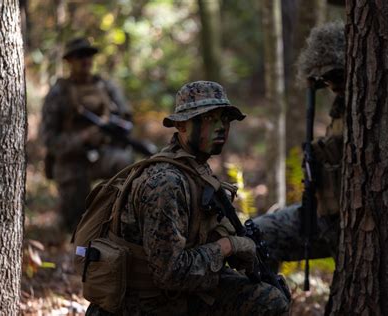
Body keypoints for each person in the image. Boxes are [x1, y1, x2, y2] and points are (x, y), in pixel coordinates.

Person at [85, 81, 290, 316]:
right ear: (181, 126)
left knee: (270, 294)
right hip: (142, 305)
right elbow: (170, 274)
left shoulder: (194, 168)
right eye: (208, 119)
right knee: (270, 304)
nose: (221, 127)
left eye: (224, 118)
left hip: (171, 295)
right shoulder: (166, 183)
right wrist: (227, 247)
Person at [254, 21, 345, 270]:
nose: (331, 83)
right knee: (255, 234)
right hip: (323, 214)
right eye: (325, 78)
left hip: (345, 223)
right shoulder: (340, 109)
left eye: (336, 75)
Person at [40, 37, 133, 232]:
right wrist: (81, 138)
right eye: (80, 56)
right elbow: (48, 139)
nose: (86, 60)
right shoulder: (58, 92)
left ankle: (121, 223)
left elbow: (126, 121)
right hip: (71, 161)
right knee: (75, 223)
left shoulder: (106, 87)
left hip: (102, 154)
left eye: (89, 55)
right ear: (68, 61)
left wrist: (108, 133)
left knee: (127, 165)